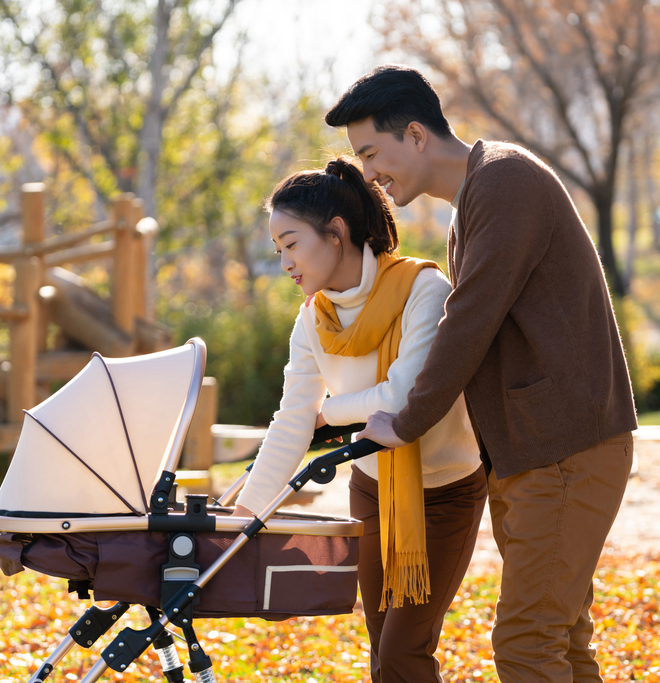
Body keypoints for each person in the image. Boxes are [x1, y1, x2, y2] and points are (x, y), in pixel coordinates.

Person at [326, 65, 639, 683]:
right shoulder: (476, 197)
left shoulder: (504, 182)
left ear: (415, 134)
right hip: (536, 452)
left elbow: (466, 322)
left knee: (527, 644)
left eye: (371, 153)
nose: (368, 175)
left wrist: (408, 420)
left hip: (566, 450)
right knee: (564, 641)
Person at [233, 158, 487, 683]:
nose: (285, 263)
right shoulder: (313, 318)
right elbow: (289, 422)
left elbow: (404, 395)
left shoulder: (422, 289)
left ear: (336, 233)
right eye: (278, 250)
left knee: (402, 654)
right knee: (380, 652)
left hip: (444, 492)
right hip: (371, 488)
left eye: (291, 243)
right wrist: (244, 516)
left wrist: (329, 412)